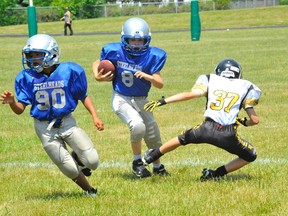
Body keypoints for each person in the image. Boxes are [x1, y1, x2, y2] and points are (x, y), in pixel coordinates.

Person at [0, 34, 104, 196]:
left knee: (93, 161)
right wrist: (12, 102)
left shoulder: (69, 71)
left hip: (67, 122)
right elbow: (20, 109)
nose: (32, 59)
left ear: (51, 53)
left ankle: (78, 157)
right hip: (44, 128)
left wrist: (95, 116)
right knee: (68, 168)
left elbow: (83, 95)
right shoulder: (26, 77)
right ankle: (89, 190)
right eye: (30, 55)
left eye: (37, 54)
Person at [142, 59, 262, 181]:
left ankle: (150, 157)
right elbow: (255, 120)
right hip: (228, 134)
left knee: (181, 139)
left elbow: (190, 95)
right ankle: (215, 174)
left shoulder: (211, 79)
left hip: (205, 129)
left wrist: (163, 101)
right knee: (250, 155)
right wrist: (243, 122)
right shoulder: (246, 86)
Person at [92, 17, 169, 178]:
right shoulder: (114, 51)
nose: (135, 43)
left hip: (142, 99)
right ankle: (137, 162)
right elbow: (97, 62)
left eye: (140, 40)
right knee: (137, 125)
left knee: (154, 135)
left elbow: (160, 84)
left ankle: (158, 166)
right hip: (121, 98)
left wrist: (149, 77)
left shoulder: (153, 55)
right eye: (132, 39)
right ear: (124, 38)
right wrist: (97, 76)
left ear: (147, 40)